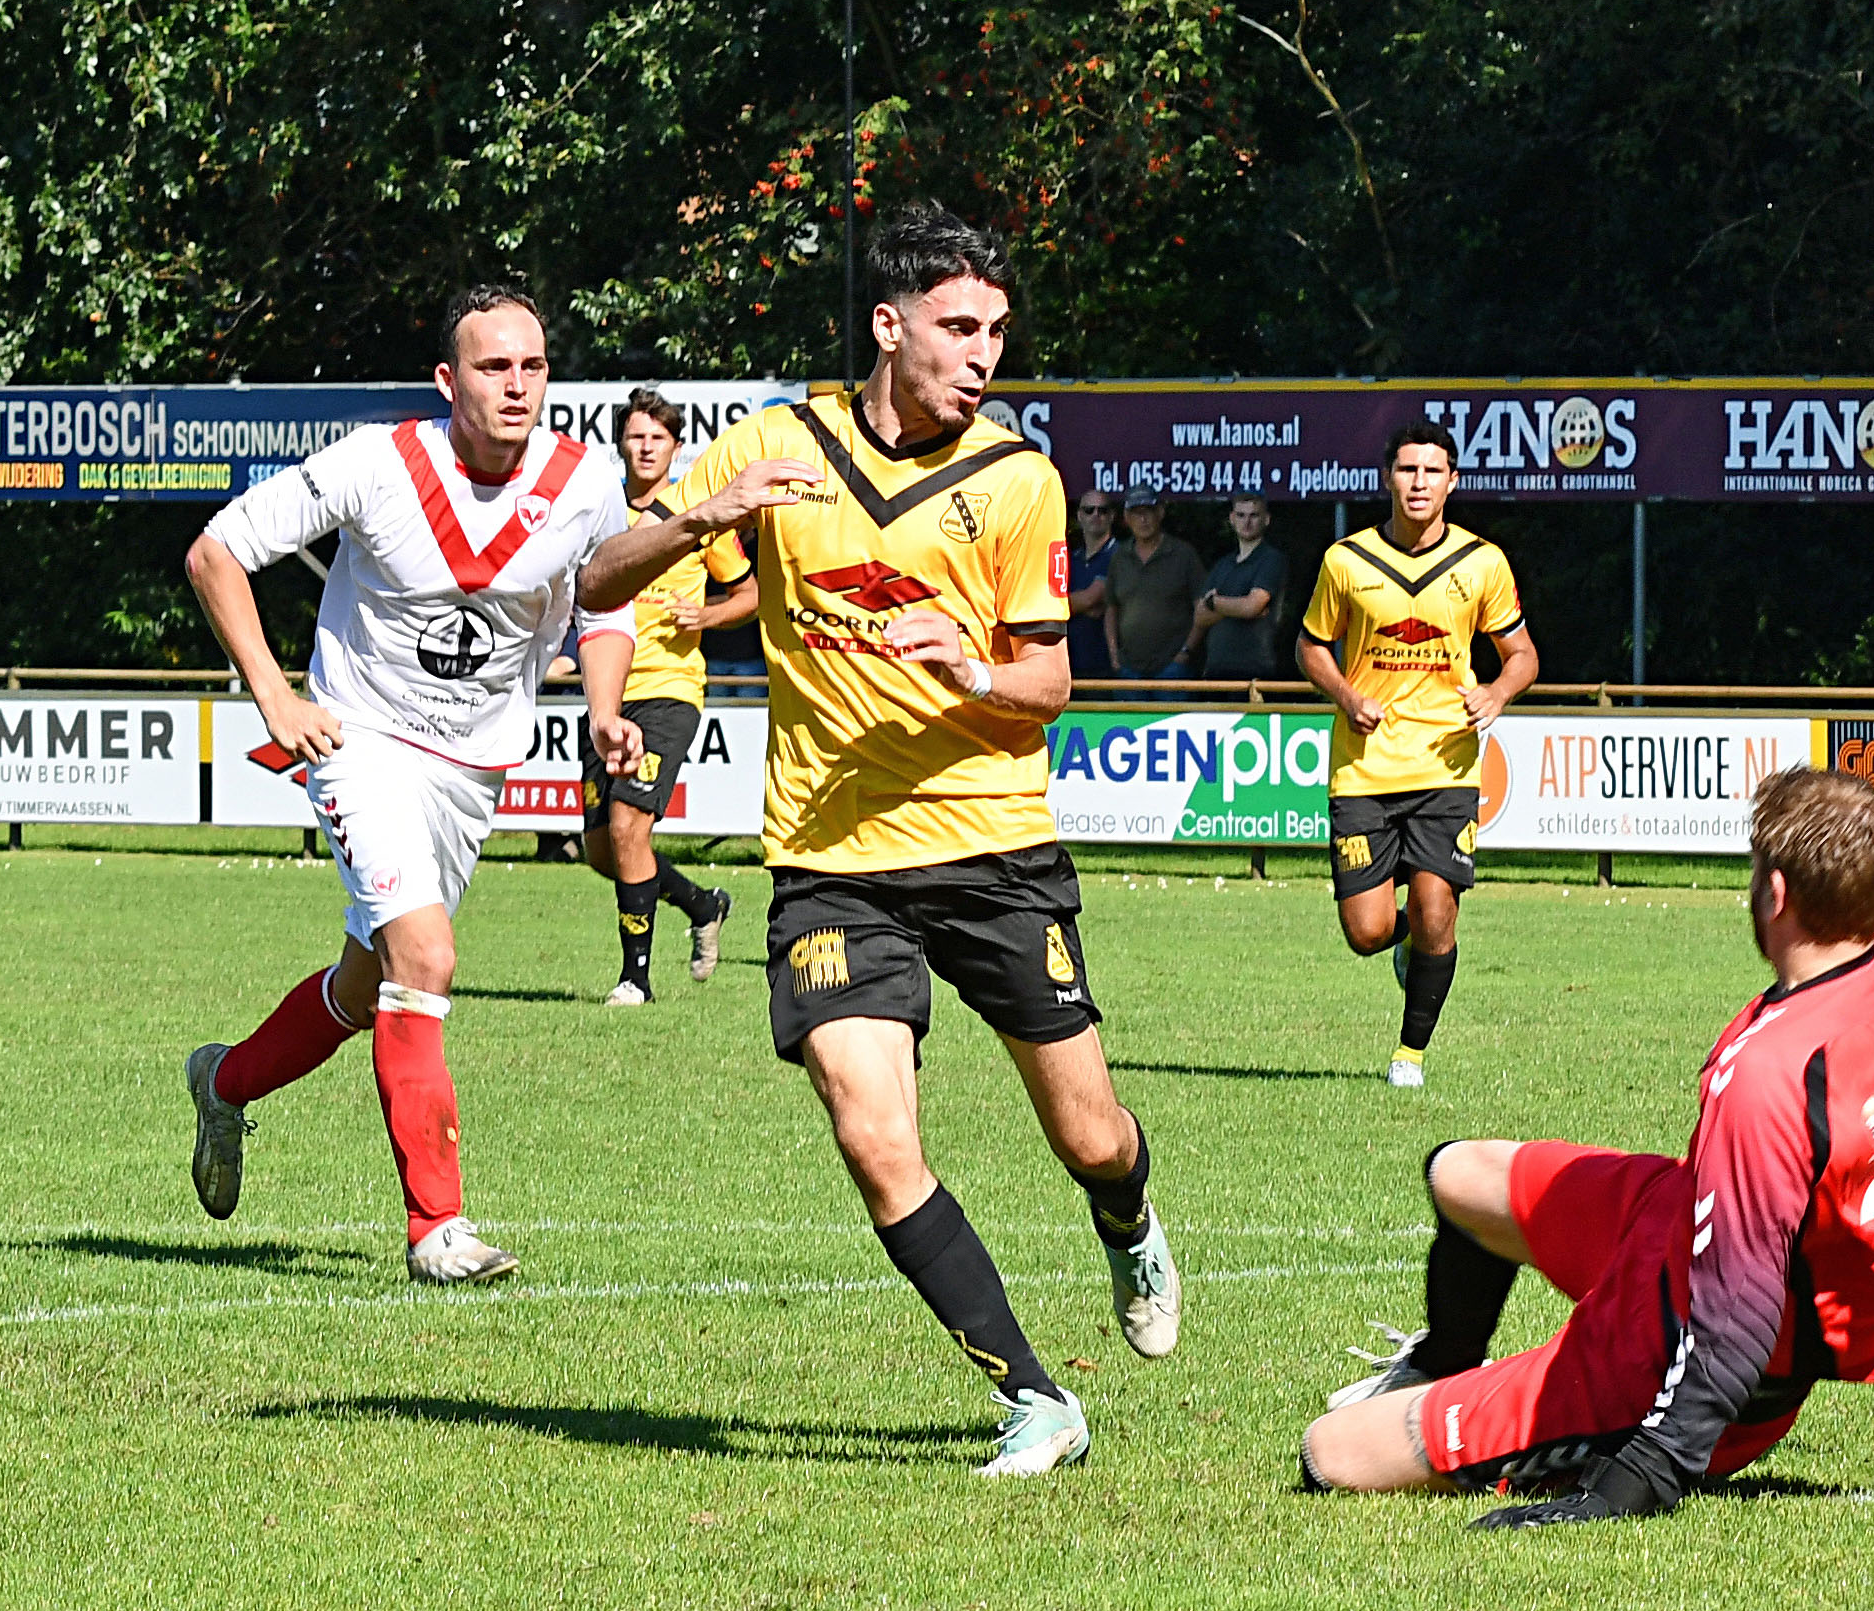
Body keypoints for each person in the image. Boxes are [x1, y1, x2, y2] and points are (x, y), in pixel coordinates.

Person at [584, 204, 1176, 1478]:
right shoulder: (770, 448)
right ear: (887, 325)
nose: (983, 354)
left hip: (993, 847)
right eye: (960, 328)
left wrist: (970, 667)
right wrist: (703, 518)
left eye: (998, 333)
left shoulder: (1017, 477)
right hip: (831, 861)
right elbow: (593, 583)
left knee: (1086, 1135)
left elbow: (1051, 684)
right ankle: (1037, 1399)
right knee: (871, 1133)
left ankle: (1127, 1215)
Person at [1300, 766, 1874, 1517]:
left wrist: (1643, 1471)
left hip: (1662, 1353)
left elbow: (1735, 1317)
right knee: (1458, 1172)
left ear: (1773, 893)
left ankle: (1510, 1413)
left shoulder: (1768, 1075)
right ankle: (1440, 1364)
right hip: (1675, 1220)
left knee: (1329, 1452)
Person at [176, 285, 633, 1283]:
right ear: (447, 380)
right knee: (422, 956)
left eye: (533, 365)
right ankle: (438, 1231)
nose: (518, 384)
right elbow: (215, 554)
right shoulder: (375, 463)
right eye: (492, 366)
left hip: (475, 767)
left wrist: (604, 709)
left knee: (362, 982)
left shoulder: (590, 482)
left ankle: (226, 1081)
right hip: (359, 740)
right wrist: (277, 699)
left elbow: (602, 606)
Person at [1302, 428, 1542, 1090]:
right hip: (1363, 769)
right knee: (1366, 931)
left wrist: (1496, 691)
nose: (1418, 482)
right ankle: (1412, 944)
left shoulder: (1482, 562)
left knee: (1438, 909)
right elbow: (1311, 646)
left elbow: (1522, 655)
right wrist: (1346, 695)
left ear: (1452, 481)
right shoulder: (1346, 561)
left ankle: (1409, 1054)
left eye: (1432, 470)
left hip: (1448, 767)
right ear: (1387, 476)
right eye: (1407, 468)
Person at [579, 390, 752, 1005]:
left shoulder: (698, 519)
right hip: (608, 696)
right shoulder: (602, 518)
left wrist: (705, 616)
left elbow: (752, 594)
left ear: (676, 448)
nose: (646, 446)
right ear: (621, 445)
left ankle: (636, 980)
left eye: (658, 437)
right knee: (603, 850)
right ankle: (703, 904)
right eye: (636, 436)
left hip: (669, 695)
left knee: (629, 829)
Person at [1104, 496, 1208, 682]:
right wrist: (1114, 656)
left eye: (1148, 512)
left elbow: (1202, 609)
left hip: (1174, 669)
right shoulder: (1119, 557)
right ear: (1126, 517)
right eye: (1137, 513)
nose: (1143, 519)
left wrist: (1185, 653)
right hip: (1129, 668)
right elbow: (1111, 609)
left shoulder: (1184, 554)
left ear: (1160, 513)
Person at [1194, 492, 1291, 685]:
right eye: (1240, 515)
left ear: (1266, 519)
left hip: (1255, 671)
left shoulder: (1271, 559)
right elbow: (1199, 617)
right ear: (1231, 519)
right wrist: (1239, 605)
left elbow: (1252, 606)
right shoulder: (1222, 565)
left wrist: (1215, 602)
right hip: (1216, 670)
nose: (1247, 522)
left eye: (1254, 515)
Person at [1065, 488, 1122, 682]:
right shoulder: (1070, 559)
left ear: (1112, 516)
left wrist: (1064, 604)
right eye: (1089, 510)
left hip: (1108, 665)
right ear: (1079, 516)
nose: (1096, 515)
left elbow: (1091, 599)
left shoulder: (1119, 555)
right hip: (1071, 665)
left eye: (1103, 510)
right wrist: (1077, 604)